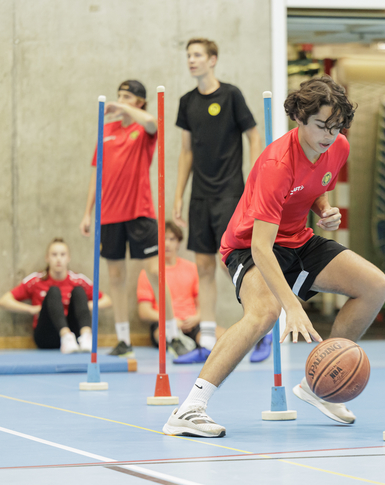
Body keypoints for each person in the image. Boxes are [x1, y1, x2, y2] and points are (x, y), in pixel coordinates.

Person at [163, 76, 385, 438]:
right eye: (320, 126)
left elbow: (315, 187)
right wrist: (293, 306)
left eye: (335, 126)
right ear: (299, 119)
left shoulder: (339, 147)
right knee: (264, 313)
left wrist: (325, 210)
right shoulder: (276, 165)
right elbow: (260, 247)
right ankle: (190, 408)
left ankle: (320, 385)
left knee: (375, 285)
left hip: (298, 238)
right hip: (247, 245)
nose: (328, 135)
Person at [172, 38, 264, 364]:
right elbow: (185, 153)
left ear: (212, 60)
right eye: (188, 56)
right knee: (204, 266)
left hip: (230, 193)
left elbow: (254, 135)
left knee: (231, 262)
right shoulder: (186, 102)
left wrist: (256, 180)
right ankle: (207, 339)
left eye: (197, 55)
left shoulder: (231, 95)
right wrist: (178, 196)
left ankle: (263, 321)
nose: (192, 60)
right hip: (200, 195)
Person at [80, 80, 187, 358]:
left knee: (155, 271)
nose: (119, 100)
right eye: (118, 96)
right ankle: (123, 340)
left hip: (139, 212)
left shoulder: (142, 129)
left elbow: (154, 124)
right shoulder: (105, 132)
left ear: (140, 101)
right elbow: (96, 174)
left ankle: (173, 334)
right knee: (115, 277)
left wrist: (125, 108)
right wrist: (88, 212)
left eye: (127, 96)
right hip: (109, 215)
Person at [0, 238, 111, 353]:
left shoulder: (78, 280)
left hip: (75, 336)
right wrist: (30, 309)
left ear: (68, 258)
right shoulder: (36, 280)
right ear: (47, 258)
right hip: (47, 336)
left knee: (78, 291)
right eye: (54, 255)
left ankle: (86, 337)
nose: (58, 259)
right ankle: (65, 335)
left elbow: (107, 300)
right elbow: (4, 301)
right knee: (53, 291)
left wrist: (86, 306)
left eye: (62, 255)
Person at [136, 221, 225, 361]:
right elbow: (144, 311)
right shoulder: (150, 273)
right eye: (163, 239)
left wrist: (196, 317)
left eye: (172, 239)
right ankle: (178, 344)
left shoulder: (191, 268)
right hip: (164, 324)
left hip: (192, 322)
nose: (167, 244)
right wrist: (171, 320)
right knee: (161, 334)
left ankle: (199, 347)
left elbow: (203, 303)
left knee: (223, 337)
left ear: (178, 243)